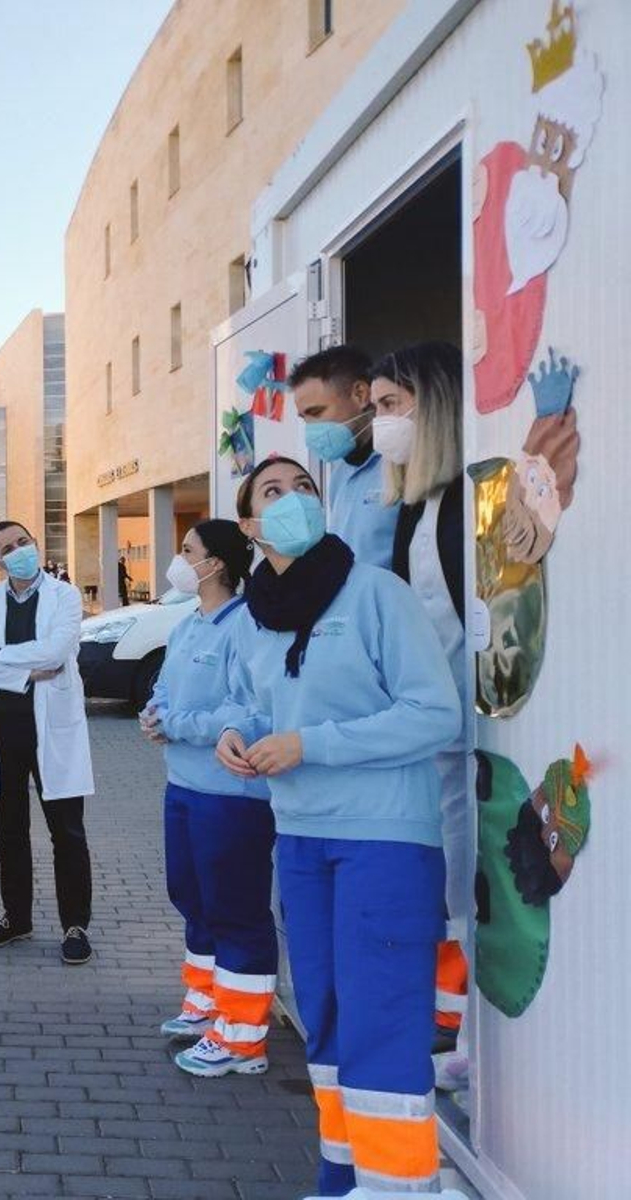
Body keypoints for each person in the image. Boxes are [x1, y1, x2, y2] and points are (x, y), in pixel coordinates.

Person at [214, 456, 464, 1199]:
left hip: (385, 838)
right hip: (300, 836)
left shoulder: (376, 593)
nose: (293, 498)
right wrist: (237, 734)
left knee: (381, 1015)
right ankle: (343, 1175)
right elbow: (259, 706)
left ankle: (398, 1187)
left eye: (304, 487)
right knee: (322, 1013)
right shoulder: (254, 619)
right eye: (273, 492)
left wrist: (309, 745)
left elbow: (434, 714)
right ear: (251, 526)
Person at [140, 520, 276, 1079]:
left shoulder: (247, 625)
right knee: (192, 898)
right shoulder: (188, 625)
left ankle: (244, 1037)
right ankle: (207, 1003)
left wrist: (178, 724)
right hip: (184, 787)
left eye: (187, 550)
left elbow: (249, 709)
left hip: (232, 794)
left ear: (215, 563)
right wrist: (154, 714)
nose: (178, 559)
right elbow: (164, 689)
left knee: (234, 908)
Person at [372, 342, 472, 1054]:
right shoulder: (415, 506)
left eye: (391, 405)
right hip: (433, 725)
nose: (381, 422)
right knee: (445, 872)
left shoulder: (470, 498)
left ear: (432, 404)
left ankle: (461, 1021)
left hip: (481, 725)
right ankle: (448, 1015)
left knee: (469, 875)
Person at [0, 519, 96, 965]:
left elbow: (56, 652)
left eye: (23, 541)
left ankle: (75, 925)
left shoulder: (65, 596)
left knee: (67, 831)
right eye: (7, 548)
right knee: (9, 831)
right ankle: (16, 918)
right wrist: (24, 673)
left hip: (52, 728)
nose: (19, 550)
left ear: (35, 543)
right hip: (3, 728)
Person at [292, 345, 399, 569]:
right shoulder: (340, 474)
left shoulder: (401, 461)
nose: (311, 429)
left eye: (316, 412)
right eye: (304, 418)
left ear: (360, 394)